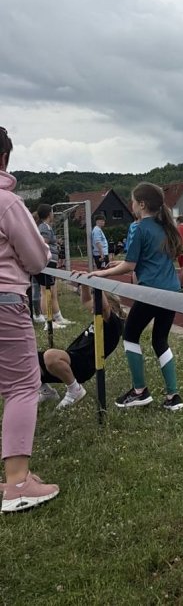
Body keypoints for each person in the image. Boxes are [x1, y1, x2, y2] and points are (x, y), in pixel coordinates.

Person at [0, 125, 59, 513]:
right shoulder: (7, 202)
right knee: (23, 386)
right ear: (4, 158)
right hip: (5, 300)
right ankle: (17, 483)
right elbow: (37, 259)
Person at [90, 182, 183, 411]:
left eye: (133, 201)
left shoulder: (138, 226)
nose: (131, 204)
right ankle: (174, 396)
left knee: (130, 335)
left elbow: (130, 265)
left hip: (151, 291)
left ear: (141, 205)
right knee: (160, 339)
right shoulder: (166, 225)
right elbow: (172, 254)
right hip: (171, 290)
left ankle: (139, 390)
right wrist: (123, 264)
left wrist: (102, 272)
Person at [38, 284, 124, 410]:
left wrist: (97, 283)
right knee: (30, 359)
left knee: (51, 356)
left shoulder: (114, 323)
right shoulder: (99, 316)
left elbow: (104, 308)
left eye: (95, 303)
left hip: (84, 364)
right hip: (73, 358)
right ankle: (46, 392)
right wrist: (84, 284)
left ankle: (75, 390)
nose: (91, 306)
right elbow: (86, 300)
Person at [35, 204, 71, 328]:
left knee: (53, 291)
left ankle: (58, 317)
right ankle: (48, 321)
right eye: (52, 212)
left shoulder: (47, 227)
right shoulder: (44, 227)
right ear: (48, 214)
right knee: (46, 292)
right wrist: (52, 242)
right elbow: (42, 242)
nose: (53, 215)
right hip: (47, 262)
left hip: (51, 263)